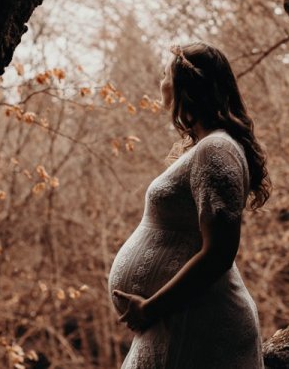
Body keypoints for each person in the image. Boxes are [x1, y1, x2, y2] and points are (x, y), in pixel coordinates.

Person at [107, 41, 271, 368]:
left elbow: (219, 253)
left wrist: (150, 309)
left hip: (201, 327)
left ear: (187, 86)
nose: (160, 83)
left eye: (165, 74)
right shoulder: (208, 147)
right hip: (183, 322)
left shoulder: (217, 150)